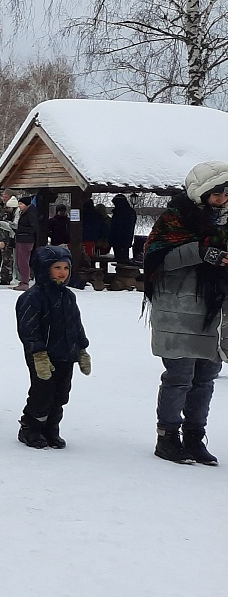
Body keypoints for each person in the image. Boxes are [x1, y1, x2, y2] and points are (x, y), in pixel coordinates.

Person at [141, 161, 228, 466]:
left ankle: (194, 436)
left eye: (226, 193)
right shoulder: (174, 218)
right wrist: (202, 252)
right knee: (180, 377)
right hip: (179, 308)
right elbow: (157, 259)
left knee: (206, 377)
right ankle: (167, 437)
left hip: (214, 311)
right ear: (201, 192)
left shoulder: (225, 222)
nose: (223, 198)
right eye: (217, 193)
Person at [15, 245, 91, 449]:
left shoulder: (68, 296)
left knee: (61, 393)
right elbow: (28, 328)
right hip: (43, 355)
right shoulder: (32, 297)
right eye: (57, 267)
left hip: (66, 353)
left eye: (66, 268)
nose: (62, 272)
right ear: (44, 269)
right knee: (43, 392)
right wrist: (38, 353)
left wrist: (82, 348)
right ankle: (31, 427)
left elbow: (76, 324)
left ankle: (51, 427)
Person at [13, 195, 41, 290]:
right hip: (21, 238)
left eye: (21, 204)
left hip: (26, 240)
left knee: (23, 261)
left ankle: (25, 282)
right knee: (19, 261)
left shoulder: (30, 214)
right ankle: (23, 281)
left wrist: (19, 229)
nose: (19, 206)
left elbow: (34, 228)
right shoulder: (26, 213)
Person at [109, 194, 138, 263]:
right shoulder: (130, 212)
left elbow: (117, 227)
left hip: (120, 239)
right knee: (122, 259)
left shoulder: (121, 212)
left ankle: (122, 272)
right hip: (124, 240)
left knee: (121, 260)